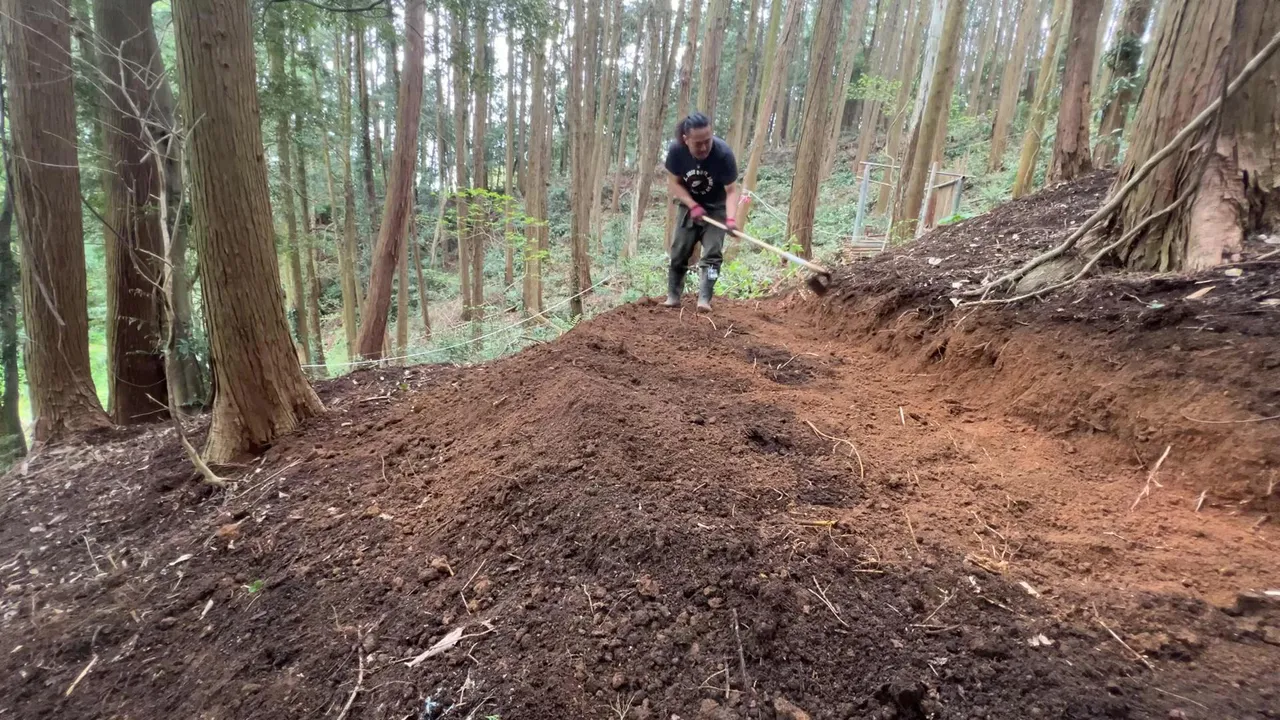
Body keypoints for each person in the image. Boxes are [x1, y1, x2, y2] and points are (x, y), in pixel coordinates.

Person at [663, 112, 740, 312]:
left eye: (708, 141)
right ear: (686, 140)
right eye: (698, 144)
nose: (704, 147)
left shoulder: (723, 154)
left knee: (713, 254)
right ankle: (673, 296)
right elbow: (674, 183)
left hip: (717, 208)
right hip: (689, 205)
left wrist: (731, 218)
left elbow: (732, 191)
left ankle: (704, 298)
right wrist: (692, 205)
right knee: (679, 251)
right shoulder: (676, 151)